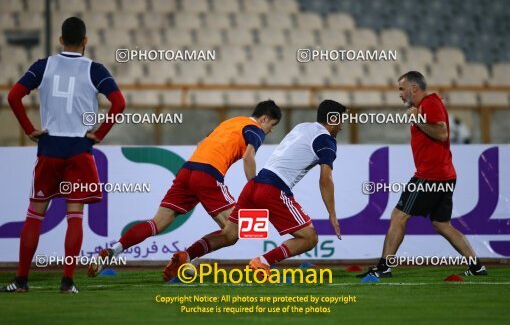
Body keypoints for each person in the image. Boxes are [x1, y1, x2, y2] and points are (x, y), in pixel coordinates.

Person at [1, 17, 126, 293]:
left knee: (35, 214)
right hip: (79, 150)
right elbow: (119, 102)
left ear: (60, 40)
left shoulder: (43, 66)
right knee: (75, 216)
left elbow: (13, 97)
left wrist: (30, 129)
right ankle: (67, 282)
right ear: (85, 41)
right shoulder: (95, 69)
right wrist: (100, 133)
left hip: (49, 148)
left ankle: (21, 280)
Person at [89, 100, 282, 277]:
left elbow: (201, 144)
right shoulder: (256, 129)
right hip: (208, 175)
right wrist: (255, 188)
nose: (269, 131)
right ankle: (186, 257)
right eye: (271, 125)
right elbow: (249, 157)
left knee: (157, 223)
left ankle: (114, 250)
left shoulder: (229, 123)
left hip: (187, 170)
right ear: (264, 118)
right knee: (233, 233)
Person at [162, 100, 345, 280]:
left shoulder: (302, 127)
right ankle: (264, 262)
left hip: (253, 185)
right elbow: (325, 179)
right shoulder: (326, 140)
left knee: (229, 234)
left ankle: (187, 255)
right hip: (274, 189)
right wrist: (332, 214)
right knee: (309, 237)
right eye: (342, 119)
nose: (343, 126)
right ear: (333, 119)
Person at [358, 71, 487, 278]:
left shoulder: (429, 104)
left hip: (430, 175)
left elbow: (443, 132)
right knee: (442, 224)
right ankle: (476, 266)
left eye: (402, 89)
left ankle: (384, 268)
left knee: (399, 216)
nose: (400, 94)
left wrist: (417, 120)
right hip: (444, 174)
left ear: (414, 88)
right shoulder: (427, 104)